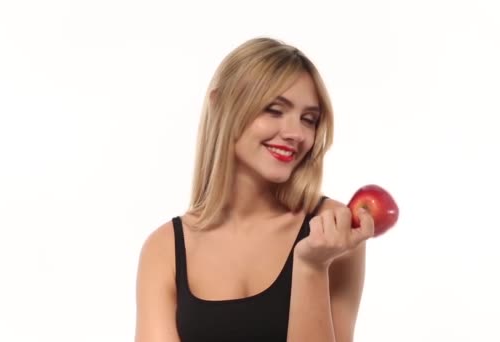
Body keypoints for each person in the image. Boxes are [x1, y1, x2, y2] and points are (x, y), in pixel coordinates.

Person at [134, 37, 375, 342]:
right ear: (220, 106)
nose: (295, 134)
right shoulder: (164, 248)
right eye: (274, 110)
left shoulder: (332, 228)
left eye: (309, 119)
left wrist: (312, 266)